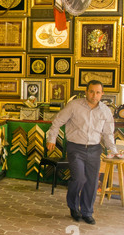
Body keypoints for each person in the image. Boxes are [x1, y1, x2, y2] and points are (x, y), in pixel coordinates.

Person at [46, 80, 117, 225]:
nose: (94, 95)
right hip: (75, 148)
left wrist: (113, 150)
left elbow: (108, 133)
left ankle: (87, 212)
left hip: (94, 149)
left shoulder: (105, 111)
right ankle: (73, 207)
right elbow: (58, 121)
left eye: (98, 92)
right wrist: (52, 139)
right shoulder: (74, 106)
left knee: (91, 182)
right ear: (86, 91)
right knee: (79, 178)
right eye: (91, 91)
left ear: (102, 93)